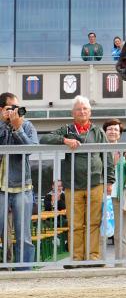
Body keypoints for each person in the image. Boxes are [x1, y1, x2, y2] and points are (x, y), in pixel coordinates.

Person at [40, 96, 115, 266]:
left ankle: (93, 257)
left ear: (90, 112)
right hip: (72, 185)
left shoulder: (98, 132)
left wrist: (109, 181)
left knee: (94, 222)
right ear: (72, 113)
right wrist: (64, 140)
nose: (82, 112)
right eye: (79, 109)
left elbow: (107, 157)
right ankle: (76, 258)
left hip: (96, 183)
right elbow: (44, 139)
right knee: (75, 223)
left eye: (85, 109)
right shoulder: (67, 129)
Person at [0, 92, 38, 270]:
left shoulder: (27, 125)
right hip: (1, 187)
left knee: (23, 235)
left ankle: (25, 271)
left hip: (22, 186)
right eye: (10, 108)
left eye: (16, 108)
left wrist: (17, 128)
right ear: (1, 110)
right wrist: (4, 124)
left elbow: (31, 149)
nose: (15, 112)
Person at [102, 119, 126, 266]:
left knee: (120, 233)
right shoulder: (98, 149)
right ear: (105, 131)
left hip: (119, 195)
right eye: (109, 129)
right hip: (101, 195)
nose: (112, 132)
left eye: (116, 130)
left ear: (120, 134)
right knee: (99, 231)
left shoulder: (124, 151)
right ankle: (99, 263)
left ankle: (120, 264)